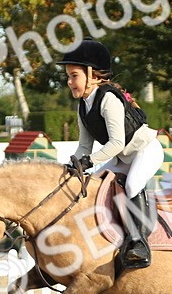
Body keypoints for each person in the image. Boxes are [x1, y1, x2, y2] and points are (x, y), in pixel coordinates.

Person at [60, 39, 164, 269]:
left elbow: (117, 142)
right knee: (96, 184)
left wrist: (89, 161)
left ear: (93, 75)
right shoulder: (83, 106)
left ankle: (138, 243)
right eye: (67, 76)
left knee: (132, 184)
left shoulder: (108, 99)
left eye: (74, 76)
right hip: (124, 157)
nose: (69, 82)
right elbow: (84, 146)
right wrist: (74, 164)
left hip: (146, 151)